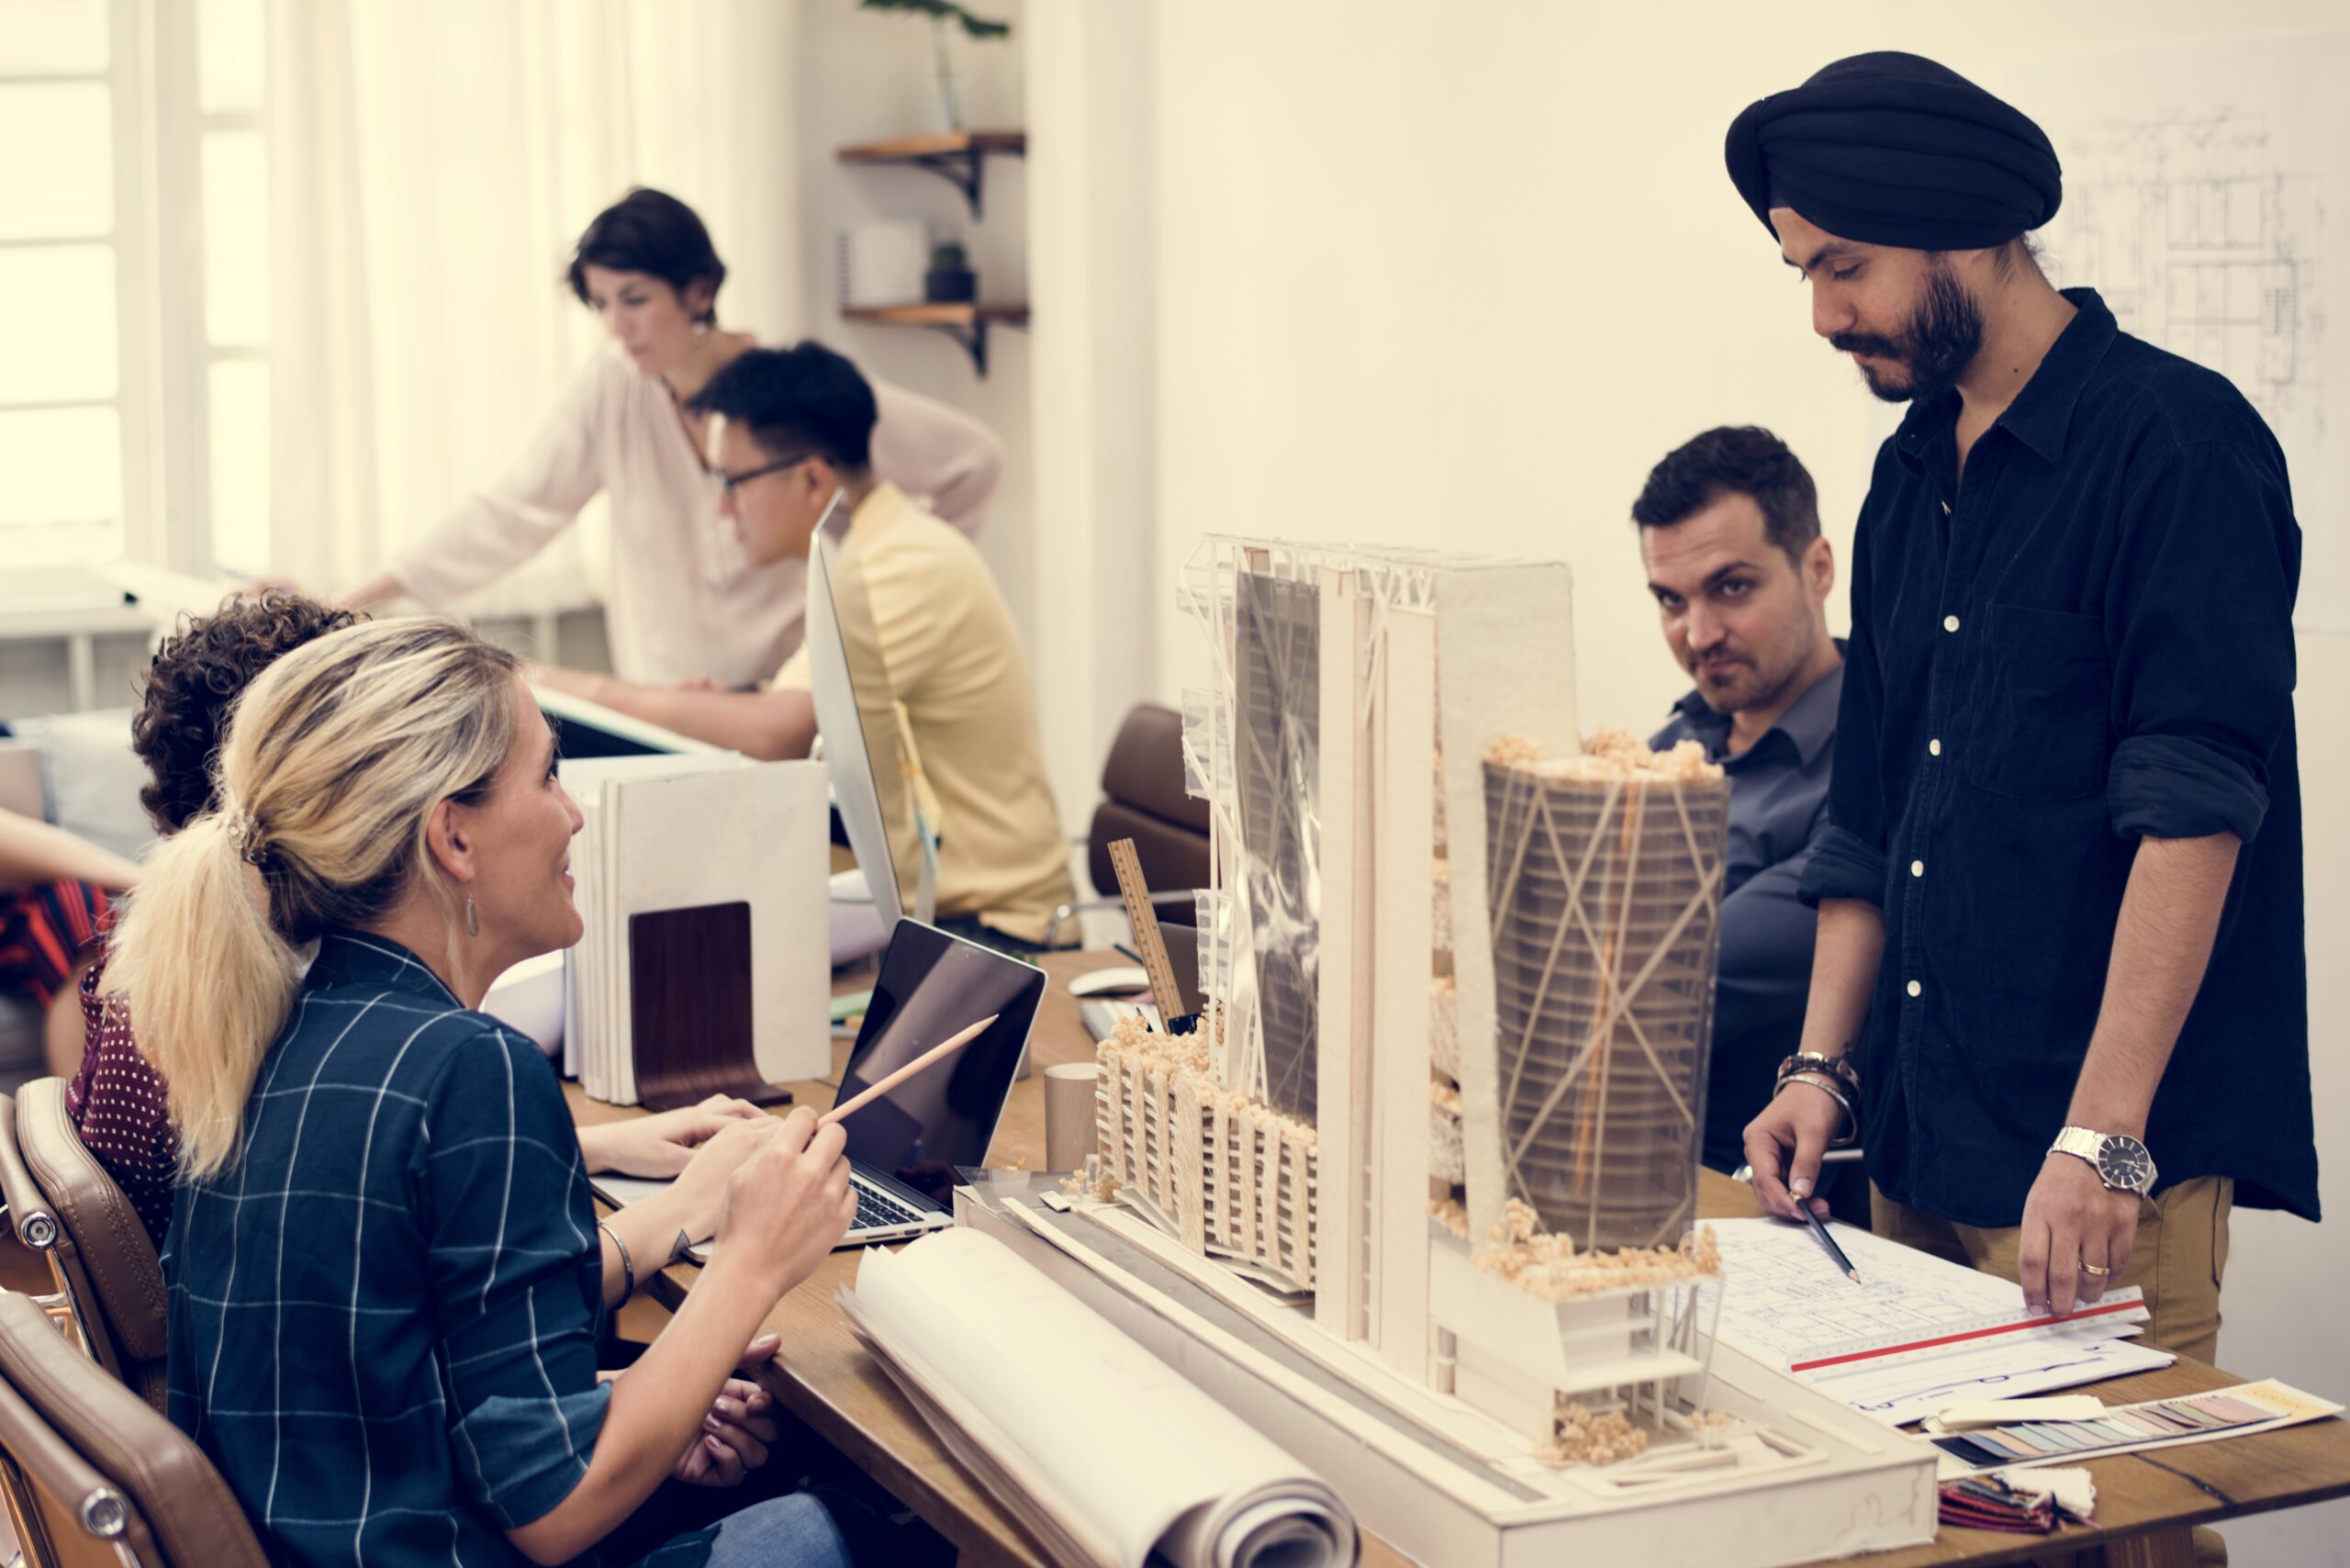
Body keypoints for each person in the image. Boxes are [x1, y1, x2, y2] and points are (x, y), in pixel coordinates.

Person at [1729, 53, 2310, 1372]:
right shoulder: (1905, 473)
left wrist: (2101, 1137)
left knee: (2119, 1532)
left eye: (1846, 267)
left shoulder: (2177, 444)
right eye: (1806, 273)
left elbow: (2194, 815)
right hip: (1922, 1137)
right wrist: (1820, 1067)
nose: (1824, 315)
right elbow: (1870, 813)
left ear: (1968, 232)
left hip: (2097, 1170)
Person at [104, 618, 856, 1567]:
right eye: (548, 774)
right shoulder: (473, 1071)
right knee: (869, 1521)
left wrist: (654, 1387)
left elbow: (400, 1379)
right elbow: (556, 1506)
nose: (573, 813)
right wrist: (752, 1259)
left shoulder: (273, 1026)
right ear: (452, 837)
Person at [73, 593, 770, 1265]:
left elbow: (363, 1179)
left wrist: (590, 1146)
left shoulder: (190, 964)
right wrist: (693, 1216)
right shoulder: (280, 1018)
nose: (571, 811)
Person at [332, 187, 1005, 690]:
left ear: (698, 288)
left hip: (787, 705)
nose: (617, 326)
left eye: (634, 299)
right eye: (600, 305)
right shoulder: (611, 389)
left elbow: (971, 462)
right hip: (671, 709)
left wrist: (874, 593)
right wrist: (353, 602)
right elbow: (510, 513)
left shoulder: (790, 393)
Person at [533, 344, 1077, 948]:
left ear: (813, 477)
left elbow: (776, 731)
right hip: (936, 915)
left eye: (731, 480)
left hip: (997, 931)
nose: (721, 506)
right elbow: (797, 711)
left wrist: (560, 686)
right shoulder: (864, 555)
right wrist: (732, 705)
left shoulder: (898, 566)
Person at [1633, 427, 1842, 1174]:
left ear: (1816, 568)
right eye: (1670, 600)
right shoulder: (1670, 745)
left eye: (1731, 587)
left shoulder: (1864, 772)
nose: (1698, 634)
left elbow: (1661, 990)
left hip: (1750, 1203)